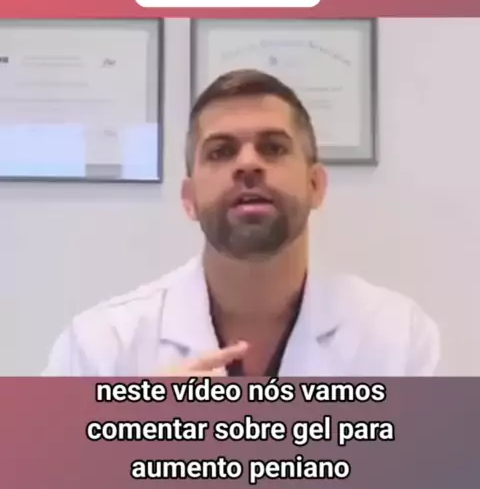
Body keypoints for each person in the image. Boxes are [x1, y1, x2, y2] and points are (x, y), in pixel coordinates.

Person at [43, 69, 440, 377]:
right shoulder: (100, 347)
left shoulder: (398, 338)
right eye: (221, 152)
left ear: (316, 186)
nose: (248, 163)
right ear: (189, 199)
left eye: (274, 148)